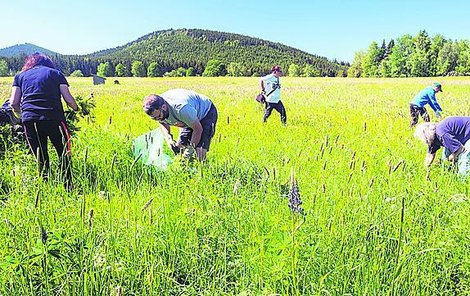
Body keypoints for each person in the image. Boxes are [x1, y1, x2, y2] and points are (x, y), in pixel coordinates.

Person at [10, 53, 78, 190]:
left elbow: (13, 102)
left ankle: (45, 189)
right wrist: (76, 108)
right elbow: (68, 99)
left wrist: (22, 115)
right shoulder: (56, 74)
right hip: (55, 119)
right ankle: (68, 186)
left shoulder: (20, 76)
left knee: (41, 157)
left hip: (30, 121)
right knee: (64, 153)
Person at [142, 89, 218, 162]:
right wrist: (168, 137)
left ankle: (204, 169)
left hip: (206, 112)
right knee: (179, 150)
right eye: (154, 118)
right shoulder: (157, 107)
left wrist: (190, 150)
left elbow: (198, 129)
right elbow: (162, 122)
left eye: (158, 116)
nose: (157, 119)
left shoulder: (181, 109)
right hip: (189, 118)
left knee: (199, 152)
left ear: (164, 107)